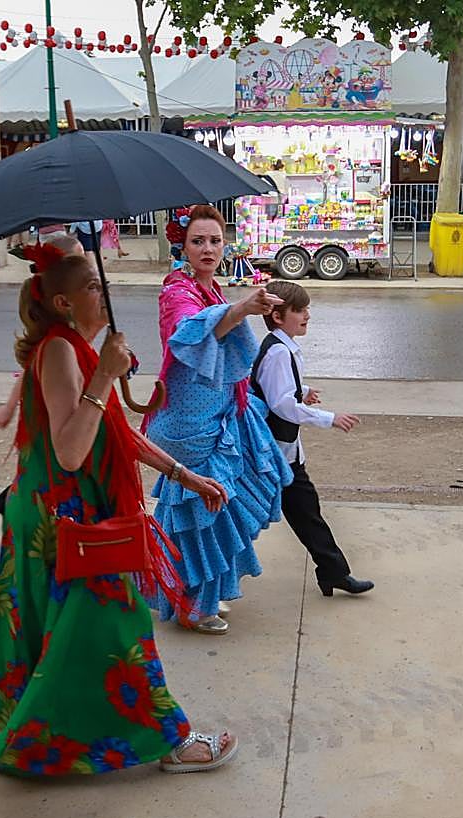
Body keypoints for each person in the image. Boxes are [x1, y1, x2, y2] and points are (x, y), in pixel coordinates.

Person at [0, 250, 238, 787]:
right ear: (63, 302)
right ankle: (171, 740)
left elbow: (116, 433)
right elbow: (70, 451)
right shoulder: (61, 351)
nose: (103, 292)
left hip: (49, 517)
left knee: (36, 632)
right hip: (64, 524)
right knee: (121, 623)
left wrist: (184, 475)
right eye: (91, 286)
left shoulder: (75, 347)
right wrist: (106, 375)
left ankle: (2, 730)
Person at [144, 204, 292, 635]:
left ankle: (182, 591)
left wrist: (238, 308)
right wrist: (242, 310)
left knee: (205, 508)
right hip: (190, 421)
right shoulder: (177, 290)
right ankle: (195, 604)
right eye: (198, 241)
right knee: (206, 507)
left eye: (214, 240)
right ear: (183, 246)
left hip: (217, 412)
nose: (207, 248)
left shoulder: (210, 287)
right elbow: (191, 330)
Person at [252, 281, 374, 598]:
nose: (307, 315)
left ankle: (334, 572)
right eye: (300, 310)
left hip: (283, 454)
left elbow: (276, 389)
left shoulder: (282, 347)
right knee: (246, 517)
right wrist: (329, 418)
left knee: (307, 512)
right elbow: (282, 405)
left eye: (307, 309)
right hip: (272, 456)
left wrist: (303, 391)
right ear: (278, 316)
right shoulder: (279, 352)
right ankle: (205, 574)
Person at [0, 235, 84, 517]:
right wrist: (8, 408)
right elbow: (31, 368)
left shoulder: (71, 320)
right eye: (79, 259)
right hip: (51, 418)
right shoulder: (56, 334)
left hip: (57, 415)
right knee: (48, 470)